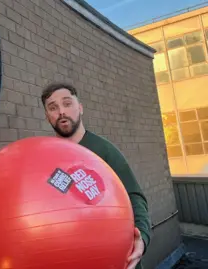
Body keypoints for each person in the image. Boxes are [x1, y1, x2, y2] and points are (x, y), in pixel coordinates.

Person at [41, 82, 152, 269]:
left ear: (80, 108)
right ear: (47, 117)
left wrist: (142, 237)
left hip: (116, 257)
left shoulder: (104, 151)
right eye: (53, 108)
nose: (61, 112)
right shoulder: (48, 159)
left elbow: (135, 198)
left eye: (67, 104)